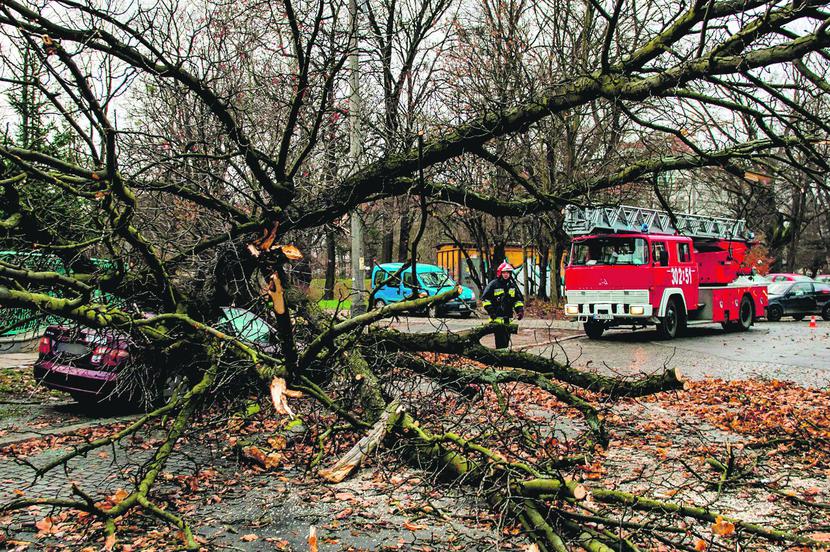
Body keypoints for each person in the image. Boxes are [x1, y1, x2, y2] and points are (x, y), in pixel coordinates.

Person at [480, 262, 525, 349]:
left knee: (506, 342)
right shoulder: (493, 284)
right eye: (504, 272)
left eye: (508, 273)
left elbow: (517, 300)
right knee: (500, 342)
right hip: (496, 318)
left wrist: (519, 310)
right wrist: (491, 311)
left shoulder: (512, 285)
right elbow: (485, 299)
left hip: (508, 319)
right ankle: (500, 359)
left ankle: (504, 358)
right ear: (500, 273)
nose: (506, 275)